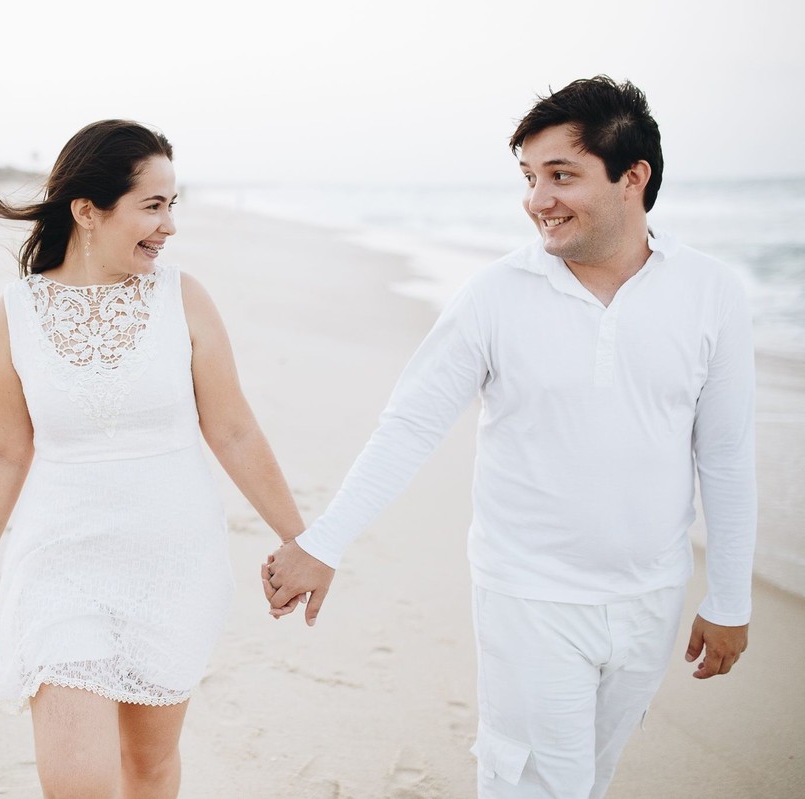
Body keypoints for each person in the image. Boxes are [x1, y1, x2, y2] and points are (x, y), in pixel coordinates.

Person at [262, 76, 757, 798]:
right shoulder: (494, 295)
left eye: (561, 175)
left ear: (633, 177)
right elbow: (410, 426)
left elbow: (726, 452)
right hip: (529, 595)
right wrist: (324, 541)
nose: (537, 199)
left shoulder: (709, 291)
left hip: (653, 595)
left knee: (591, 775)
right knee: (532, 782)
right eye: (529, 178)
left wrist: (732, 597)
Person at [0, 119, 304, 799]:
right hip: (60, 563)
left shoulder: (184, 297)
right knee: (79, 782)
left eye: (173, 204)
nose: (168, 225)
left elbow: (232, 429)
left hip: (173, 560)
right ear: (88, 210)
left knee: (148, 766)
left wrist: (300, 537)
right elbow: (2, 451)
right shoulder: (16, 313)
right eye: (152, 205)